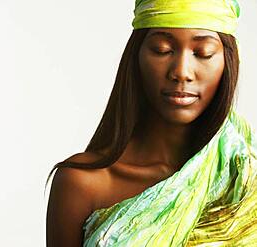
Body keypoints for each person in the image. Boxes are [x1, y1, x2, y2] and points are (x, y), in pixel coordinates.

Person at [45, 0, 257, 246]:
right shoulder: (82, 183)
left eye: (203, 53)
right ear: (136, 57)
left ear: (229, 61)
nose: (182, 71)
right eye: (162, 49)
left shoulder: (245, 179)